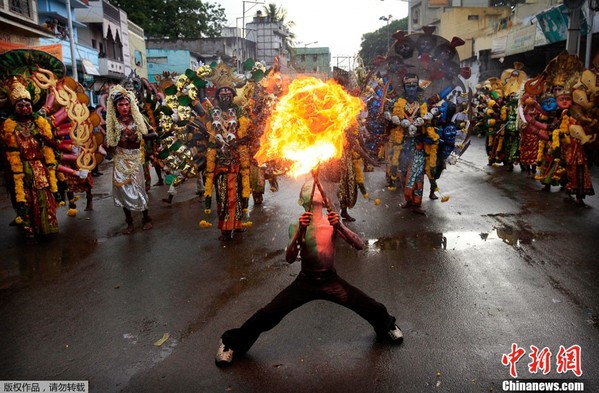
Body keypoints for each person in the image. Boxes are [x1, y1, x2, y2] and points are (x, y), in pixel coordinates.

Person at [214, 180, 403, 366]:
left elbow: (359, 245)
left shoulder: (332, 221)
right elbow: (289, 258)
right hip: (305, 282)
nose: (313, 188)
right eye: (306, 188)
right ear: (301, 199)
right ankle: (230, 344)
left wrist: (340, 226)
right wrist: (300, 231)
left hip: (331, 280)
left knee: (369, 306)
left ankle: (387, 326)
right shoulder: (296, 225)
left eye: (315, 187)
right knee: (268, 314)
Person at [1, 77, 62, 240]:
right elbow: (7, 150)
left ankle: (48, 226)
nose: (25, 108)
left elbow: (55, 145)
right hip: (21, 168)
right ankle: (29, 229)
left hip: (40, 166)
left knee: (43, 196)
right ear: (15, 107)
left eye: (27, 105)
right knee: (25, 199)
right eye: (20, 105)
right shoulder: (8, 126)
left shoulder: (41, 123)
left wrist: (44, 137)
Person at [105, 85, 157, 234]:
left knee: (139, 189)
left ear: (131, 105)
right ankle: (129, 223)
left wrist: (141, 136)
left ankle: (146, 217)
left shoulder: (138, 119)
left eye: (127, 104)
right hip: (120, 160)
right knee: (122, 191)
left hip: (135, 159)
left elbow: (154, 134)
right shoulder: (112, 122)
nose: (124, 107)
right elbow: (108, 144)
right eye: (121, 104)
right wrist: (110, 145)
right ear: (115, 106)